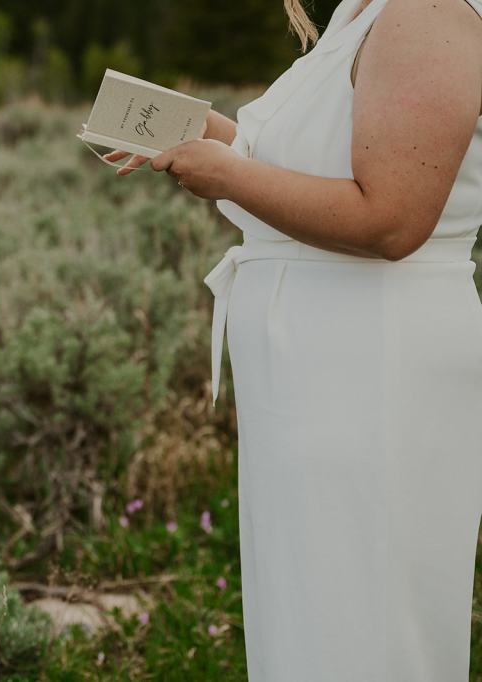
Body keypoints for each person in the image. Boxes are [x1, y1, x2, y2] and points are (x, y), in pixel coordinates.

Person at [105, 0, 482, 679]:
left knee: (364, 611)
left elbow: (392, 218)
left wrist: (226, 176)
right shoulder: (357, 14)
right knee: (314, 608)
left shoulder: (424, 14)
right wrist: (193, 131)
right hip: (318, 372)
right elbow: (304, 155)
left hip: (373, 362)